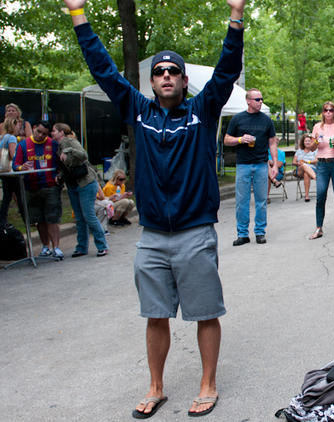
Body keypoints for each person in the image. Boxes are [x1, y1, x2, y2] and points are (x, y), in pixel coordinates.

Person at [64, 0, 246, 417]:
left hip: (194, 232)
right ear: (151, 82)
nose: (166, 76)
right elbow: (104, 71)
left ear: (183, 81)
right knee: (155, 314)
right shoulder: (139, 111)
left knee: (204, 313)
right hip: (151, 238)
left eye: (173, 72)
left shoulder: (202, 111)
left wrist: (235, 18)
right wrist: (79, 16)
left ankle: (207, 384)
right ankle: (156, 386)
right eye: (159, 72)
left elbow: (227, 70)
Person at [224, 88, 278, 245]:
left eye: (261, 99)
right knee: (242, 201)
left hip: (261, 164)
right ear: (248, 101)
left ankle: (260, 232)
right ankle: (242, 234)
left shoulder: (266, 120)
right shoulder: (238, 119)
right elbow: (227, 140)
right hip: (243, 165)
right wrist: (240, 140)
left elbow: (272, 142)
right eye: (257, 99)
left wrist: (274, 164)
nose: (260, 102)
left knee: (261, 200)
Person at [52, 122, 108, 257]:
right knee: (79, 217)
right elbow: (67, 166)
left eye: (54, 130)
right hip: (72, 184)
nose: (51, 133)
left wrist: (68, 150)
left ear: (61, 132)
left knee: (88, 215)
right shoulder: (59, 146)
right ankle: (82, 247)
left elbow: (83, 155)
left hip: (86, 183)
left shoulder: (70, 141)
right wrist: (60, 175)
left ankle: (102, 245)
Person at [12, 120, 64, 259]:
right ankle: (45, 246)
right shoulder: (23, 145)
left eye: (44, 134)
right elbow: (15, 165)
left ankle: (56, 248)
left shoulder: (53, 144)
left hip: (50, 187)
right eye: (38, 132)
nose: (41, 135)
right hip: (31, 187)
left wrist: (59, 175)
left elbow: (61, 163)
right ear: (34, 128)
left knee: (52, 218)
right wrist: (21, 167)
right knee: (39, 219)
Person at [309, 101, 334, 240]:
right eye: (325, 110)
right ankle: (318, 228)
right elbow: (312, 148)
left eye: (331, 110)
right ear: (322, 112)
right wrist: (315, 142)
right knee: (320, 196)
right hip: (322, 164)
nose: (328, 112)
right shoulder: (317, 127)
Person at [1, 118, 25, 224]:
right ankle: (26, 218)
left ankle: (2, 219)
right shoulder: (11, 138)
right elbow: (13, 155)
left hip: (4, 171)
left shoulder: (2, 137)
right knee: (20, 196)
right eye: (18, 125)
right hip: (11, 172)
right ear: (13, 126)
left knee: (7, 196)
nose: (19, 127)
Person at [293, 133, 317, 202]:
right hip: (300, 170)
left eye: (309, 141)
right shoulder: (299, 151)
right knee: (303, 165)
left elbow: (316, 160)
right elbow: (293, 162)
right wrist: (298, 163)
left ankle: (307, 196)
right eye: (306, 141)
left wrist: (307, 162)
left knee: (306, 173)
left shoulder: (314, 150)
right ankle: (316, 178)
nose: (307, 142)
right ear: (303, 142)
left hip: (312, 169)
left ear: (311, 142)